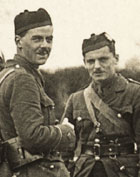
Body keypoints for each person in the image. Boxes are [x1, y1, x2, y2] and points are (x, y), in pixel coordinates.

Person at [0, 8, 75, 177]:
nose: (45, 46)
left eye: (49, 39)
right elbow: (32, 137)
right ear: (18, 42)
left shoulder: (7, 74)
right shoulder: (22, 79)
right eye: (37, 39)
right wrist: (65, 132)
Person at [62, 32, 140, 177]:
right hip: (85, 171)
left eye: (103, 59)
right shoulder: (76, 99)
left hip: (122, 172)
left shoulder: (135, 94)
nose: (97, 66)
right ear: (85, 63)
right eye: (91, 61)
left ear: (116, 59)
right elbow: (64, 148)